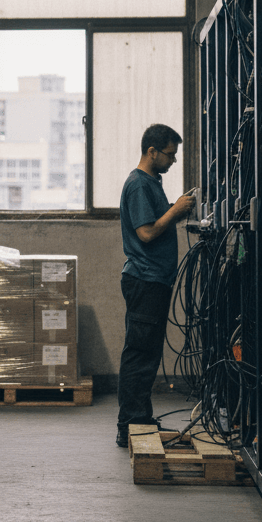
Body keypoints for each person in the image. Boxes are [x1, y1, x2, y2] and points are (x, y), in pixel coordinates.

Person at [116, 124, 196, 448]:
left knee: (147, 353)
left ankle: (139, 419)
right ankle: (131, 424)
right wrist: (176, 211)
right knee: (140, 354)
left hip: (155, 281)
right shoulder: (138, 185)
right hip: (145, 280)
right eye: (169, 154)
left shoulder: (152, 182)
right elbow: (146, 233)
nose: (173, 161)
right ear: (152, 152)